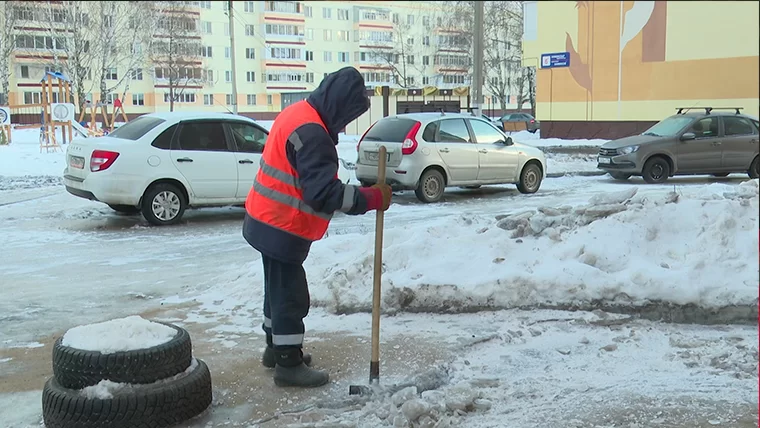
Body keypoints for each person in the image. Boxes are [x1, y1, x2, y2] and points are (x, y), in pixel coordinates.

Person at [242, 67, 393, 388]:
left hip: (264, 218)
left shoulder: (298, 112)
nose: (345, 123)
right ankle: (288, 363)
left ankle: (274, 349)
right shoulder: (314, 135)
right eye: (349, 115)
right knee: (290, 297)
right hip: (282, 226)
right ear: (339, 106)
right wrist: (373, 197)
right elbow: (325, 194)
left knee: (275, 291)